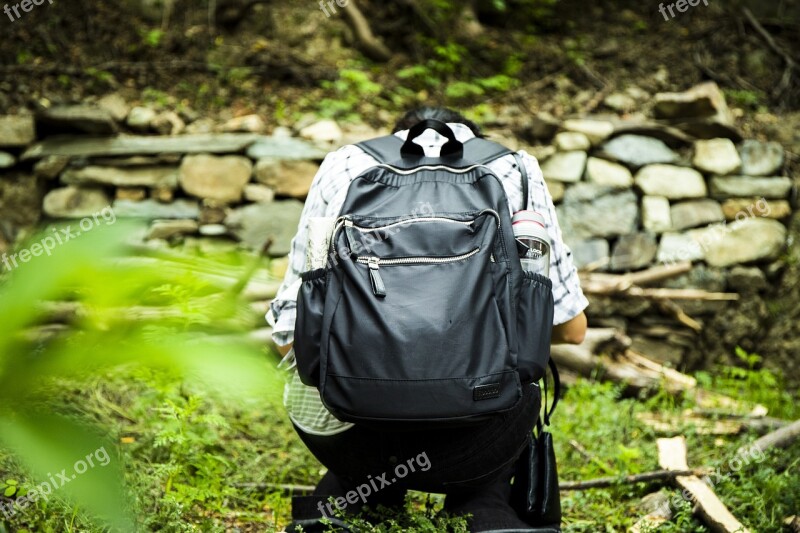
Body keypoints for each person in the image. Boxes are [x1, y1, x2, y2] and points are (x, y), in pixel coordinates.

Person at [267, 107, 588, 532]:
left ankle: (351, 500)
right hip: (477, 438)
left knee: (333, 401)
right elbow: (572, 329)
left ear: (396, 135)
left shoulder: (346, 164)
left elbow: (288, 335)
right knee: (522, 375)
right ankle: (481, 508)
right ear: (472, 138)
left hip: (347, 430)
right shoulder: (514, 168)